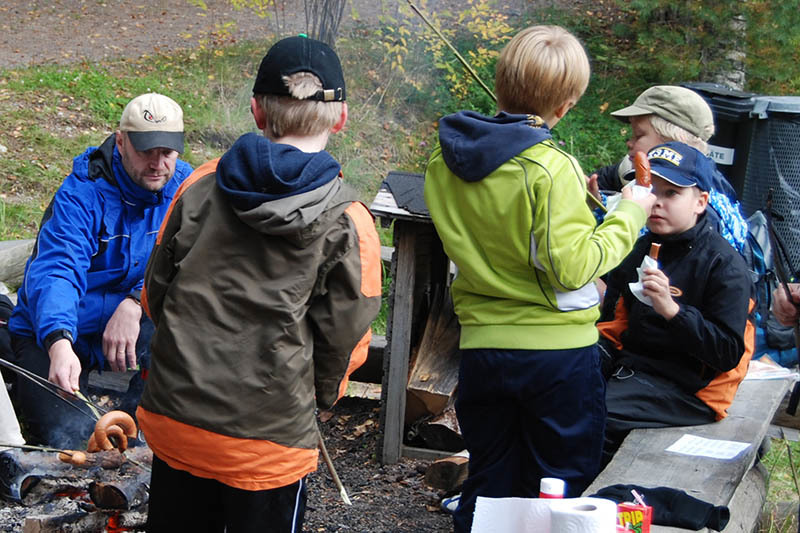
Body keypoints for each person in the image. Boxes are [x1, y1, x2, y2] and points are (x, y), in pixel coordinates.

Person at [137, 35, 381, 533]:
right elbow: (347, 340)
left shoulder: (199, 185)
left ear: (255, 111)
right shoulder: (349, 220)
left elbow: (154, 293)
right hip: (267, 443)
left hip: (176, 420)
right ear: (341, 118)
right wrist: (325, 397)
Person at [423, 25, 655, 533]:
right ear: (567, 105)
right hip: (555, 359)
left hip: (483, 349)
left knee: (489, 481)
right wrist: (630, 212)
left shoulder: (444, 162)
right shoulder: (551, 168)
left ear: (501, 80)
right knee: (560, 486)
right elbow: (572, 266)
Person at [7, 93, 193, 448]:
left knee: (168, 419)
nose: (157, 164)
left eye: (167, 152)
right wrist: (59, 342)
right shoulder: (82, 193)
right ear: (121, 142)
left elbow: (191, 266)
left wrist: (134, 301)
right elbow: (58, 270)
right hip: (57, 332)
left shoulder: (186, 191)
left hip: (135, 324)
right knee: (68, 433)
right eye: (146, 151)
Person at [598, 142, 754, 461]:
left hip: (693, 391)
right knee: (553, 397)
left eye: (672, 194)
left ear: (700, 202)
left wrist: (672, 311)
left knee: (591, 417)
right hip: (635, 374)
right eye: (652, 190)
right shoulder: (639, 249)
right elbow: (611, 331)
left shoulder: (724, 265)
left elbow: (726, 353)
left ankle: (591, 504)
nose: (658, 202)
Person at [591, 85, 748, 255]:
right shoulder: (635, 170)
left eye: (639, 135)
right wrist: (596, 202)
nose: (629, 142)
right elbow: (605, 178)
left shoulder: (696, 210)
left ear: (673, 143)